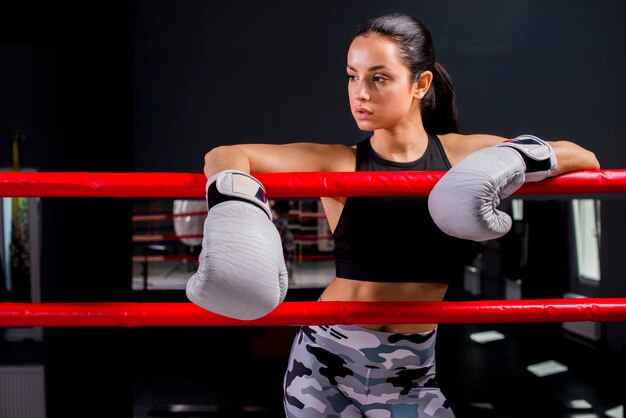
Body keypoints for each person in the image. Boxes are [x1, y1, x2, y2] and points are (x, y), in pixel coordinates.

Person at [186, 12, 600, 417]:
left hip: (411, 371)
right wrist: (236, 214)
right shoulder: (338, 163)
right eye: (352, 76)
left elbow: (584, 158)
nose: (359, 92)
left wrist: (510, 158)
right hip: (324, 360)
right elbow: (225, 156)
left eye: (378, 78)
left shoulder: (460, 156)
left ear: (420, 84)